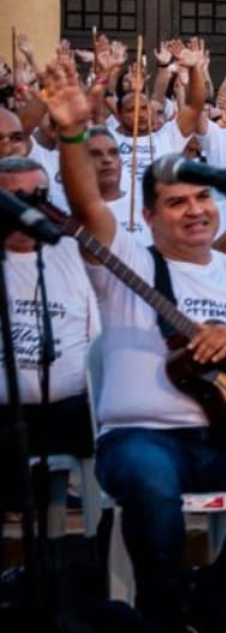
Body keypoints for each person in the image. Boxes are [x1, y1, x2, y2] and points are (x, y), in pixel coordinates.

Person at [40, 56, 226, 633]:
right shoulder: (128, 261)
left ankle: (209, 606)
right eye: (177, 202)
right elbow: (86, 206)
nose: (195, 211)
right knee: (149, 484)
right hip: (142, 436)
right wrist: (72, 133)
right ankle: (162, 613)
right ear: (149, 215)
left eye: (203, 199)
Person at [0, 157, 96, 513]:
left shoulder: (75, 255)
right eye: (15, 199)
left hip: (67, 414)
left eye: (37, 197)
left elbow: (97, 338)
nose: (27, 210)